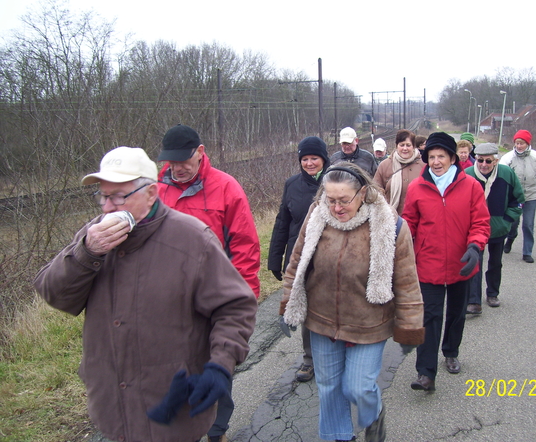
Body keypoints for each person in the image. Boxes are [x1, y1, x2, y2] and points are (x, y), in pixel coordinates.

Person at [33, 146, 257, 442]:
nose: (107, 207)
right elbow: (54, 294)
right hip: (113, 402)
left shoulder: (191, 238)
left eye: (118, 196)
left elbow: (235, 306)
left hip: (172, 405)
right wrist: (87, 253)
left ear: (151, 193)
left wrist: (220, 365)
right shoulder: (94, 236)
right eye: (102, 195)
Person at [280, 162, 424, 442]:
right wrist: (287, 303)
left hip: (368, 323)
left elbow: (407, 281)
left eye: (344, 200)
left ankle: (374, 413)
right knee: (329, 387)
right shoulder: (317, 215)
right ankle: (339, 437)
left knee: (358, 387)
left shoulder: (390, 224)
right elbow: (297, 262)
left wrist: (410, 327)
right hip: (322, 321)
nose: (336, 207)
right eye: (330, 199)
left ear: (363, 194)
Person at [156, 124, 260, 442]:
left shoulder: (227, 189)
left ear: (200, 153)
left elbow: (244, 247)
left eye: (183, 161)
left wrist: (244, 301)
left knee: (217, 362)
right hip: (168, 299)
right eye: (171, 162)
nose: (177, 168)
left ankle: (216, 429)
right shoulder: (155, 190)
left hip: (214, 297)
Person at [402, 132, 489, 391]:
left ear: (453, 158)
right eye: (431, 157)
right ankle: (425, 372)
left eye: (441, 156)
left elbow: (480, 222)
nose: (436, 161)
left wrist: (475, 246)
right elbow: (409, 223)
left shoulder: (471, 186)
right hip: (428, 264)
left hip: (463, 262)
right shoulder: (417, 187)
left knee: (456, 313)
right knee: (429, 316)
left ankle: (451, 351)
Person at [269, 136, 330, 382]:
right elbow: (282, 221)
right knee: (305, 309)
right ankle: (309, 360)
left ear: (323, 159)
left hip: (329, 255)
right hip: (300, 255)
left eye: (314, 158)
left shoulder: (336, 181)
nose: (309, 163)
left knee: (331, 306)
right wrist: (275, 257)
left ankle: (336, 354)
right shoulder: (291, 184)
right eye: (304, 159)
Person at [464, 143, 525, 314]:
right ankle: (474, 300)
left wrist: (507, 219)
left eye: (488, 161)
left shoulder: (507, 174)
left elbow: (518, 199)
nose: (483, 164)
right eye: (480, 160)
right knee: (475, 261)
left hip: (498, 228)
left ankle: (492, 293)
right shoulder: (467, 175)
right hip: (475, 229)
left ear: (496, 161)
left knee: (495, 262)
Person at [499, 129, 536, 263]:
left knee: (528, 224)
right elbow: (500, 177)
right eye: (517, 143)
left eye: (522, 143)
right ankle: (510, 238)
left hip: (531, 196)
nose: (519, 146)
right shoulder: (508, 158)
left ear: (527, 143)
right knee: (512, 223)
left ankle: (527, 252)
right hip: (514, 198)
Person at [374, 129, 425, 215]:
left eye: (408, 145)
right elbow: (375, 191)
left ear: (413, 146)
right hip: (391, 218)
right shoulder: (385, 165)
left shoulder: (423, 166)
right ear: (397, 146)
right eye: (402, 145)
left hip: (417, 218)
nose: (405, 148)